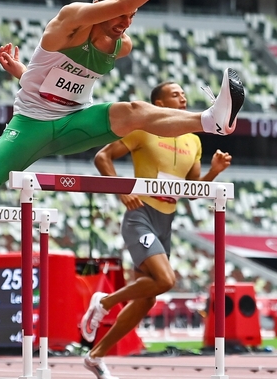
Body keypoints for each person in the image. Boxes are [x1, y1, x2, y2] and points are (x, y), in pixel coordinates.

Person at [0, 0, 245, 212]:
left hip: (75, 123)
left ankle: (211, 120)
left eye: (133, 16)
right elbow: (117, 8)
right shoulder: (69, 21)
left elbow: (60, 83)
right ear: (99, 7)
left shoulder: (123, 45)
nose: (126, 22)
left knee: (131, 111)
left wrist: (24, 71)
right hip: (31, 126)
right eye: (122, 13)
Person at [81, 82, 232, 379]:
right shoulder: (143, 130)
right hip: (140, 216)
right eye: (175, 94)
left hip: (167, 221)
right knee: (165, 280)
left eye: (184, 94)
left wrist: (213, 172)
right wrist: (122, 191)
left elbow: (191, 191)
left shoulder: (193, 141)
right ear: (160, 104)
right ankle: (104, 302)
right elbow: (102, 156)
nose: (184, 97)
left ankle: (94, 357)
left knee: (147, 299)